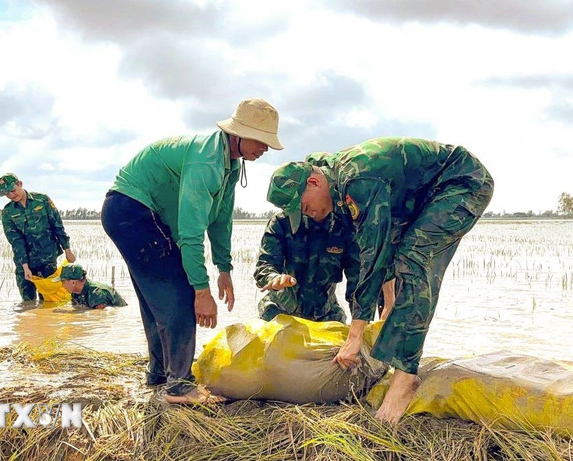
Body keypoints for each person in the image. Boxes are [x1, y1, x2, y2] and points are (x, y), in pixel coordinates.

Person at [266, 136, 494, 424]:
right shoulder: (327, 173)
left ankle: (405, 379)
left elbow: (375, 253)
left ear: (313, 183)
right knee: (398, 260)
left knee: (414, 259)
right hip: (419, 198)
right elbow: (373, 245)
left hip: (460, 183)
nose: (308, 215)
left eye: (305, 207)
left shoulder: (358, 180)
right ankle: (396, 355)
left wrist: (355, 335)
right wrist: (388, 303)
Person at [101, 98, 283, 404]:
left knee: (157, 297)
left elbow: (221, 218)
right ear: (239, 133)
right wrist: (201, 290)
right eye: (262, 141)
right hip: (132, 210)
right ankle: (179, 386)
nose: (265, 149)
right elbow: (190, 232)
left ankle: (160, 374)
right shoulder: (207, 162)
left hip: (132, 213)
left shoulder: (230, 164)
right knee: (179, 290)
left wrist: (224, 270)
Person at [254, 212, 358, 323]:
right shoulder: (282, 221)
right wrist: (274, 278)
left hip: (326, 316)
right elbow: (265, 263)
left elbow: (358, 282)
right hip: (278, 313)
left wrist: (360, 320)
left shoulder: (346, 226)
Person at [0, 173, 76, 302]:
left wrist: (67, 250)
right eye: (7, 194)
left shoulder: (42, 200)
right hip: (24, 263)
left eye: (13, 190)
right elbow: (16, 241)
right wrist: (25, 267)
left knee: (49, 299)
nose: (11, 195)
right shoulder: (7, 212)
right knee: (28, 304)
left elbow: (57, 226)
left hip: (47, 260)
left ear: (20, 184)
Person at [54, 264, 127, 309]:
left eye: (63, 282)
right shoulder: (75, 292)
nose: (62, 285)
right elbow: (77, 308)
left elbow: (101, 317)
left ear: (73, 282)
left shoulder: (96, 294)